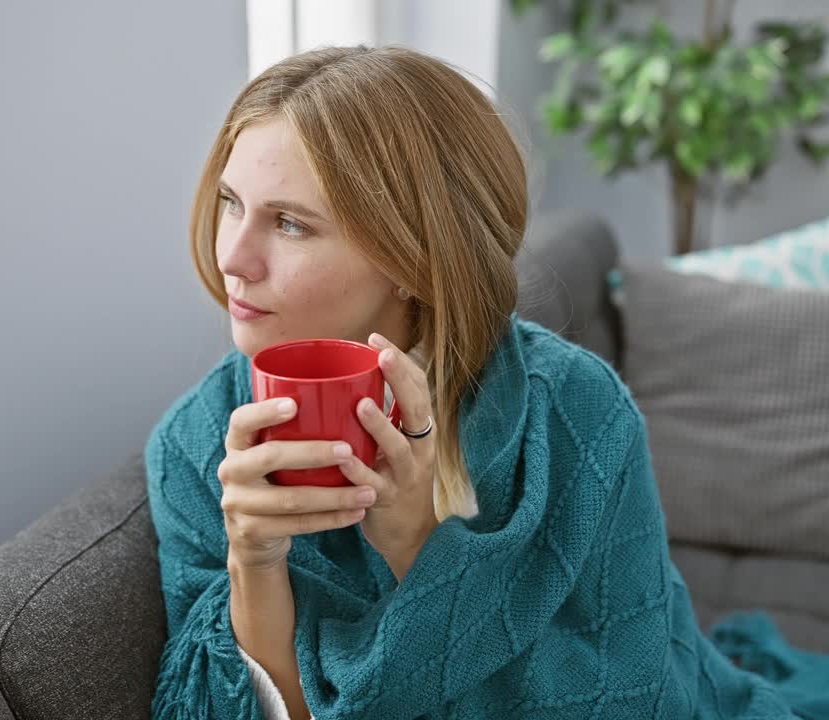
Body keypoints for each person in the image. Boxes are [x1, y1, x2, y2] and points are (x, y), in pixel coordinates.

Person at [145, 45, 794, 719]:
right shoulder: (193, 449)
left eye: (288, 223)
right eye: (230, 202)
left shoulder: (576, 410)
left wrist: (417, 548)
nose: (233, 257)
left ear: (411, 255)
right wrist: (254, 562)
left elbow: (637, 689)